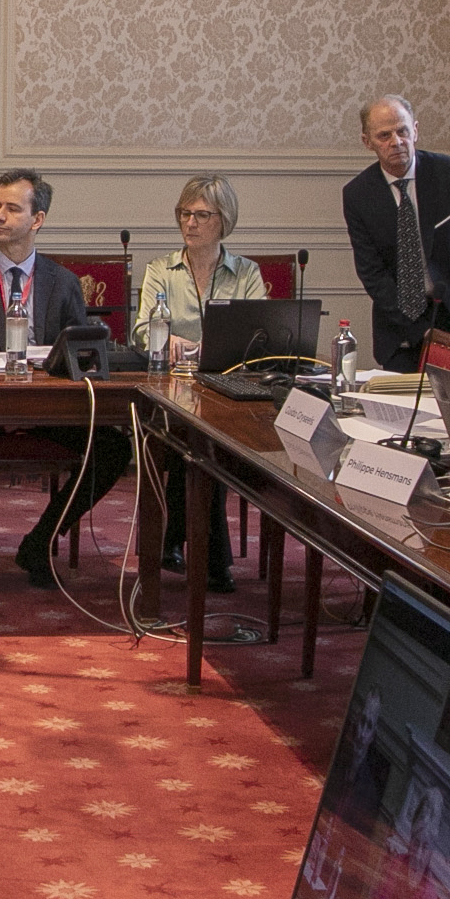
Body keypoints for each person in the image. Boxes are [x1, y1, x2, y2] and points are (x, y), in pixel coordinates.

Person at [0, 169, 123, 589]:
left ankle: (44, 539)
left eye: (12, 208)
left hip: (50, 410)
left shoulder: (64, 283)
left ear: (37, 219)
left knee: (113, 450)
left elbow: (82, 354)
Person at [135, 173, 267, 590]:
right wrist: (168, 338)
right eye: (184, 213)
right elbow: (141, 331)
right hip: (172, 386)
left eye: (201, 214)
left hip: (227, 390)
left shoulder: (246, 272)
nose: (190, 223)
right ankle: (214, 561)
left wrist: (213, 346)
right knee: (192, 444)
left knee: (201, 447)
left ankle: (174, 542)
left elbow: (259, 335)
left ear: (223, 220)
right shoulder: (162, 269)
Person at [341, 95, 450, 372]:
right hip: (400, 325)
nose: (396, 142)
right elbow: (373, 274)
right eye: (384, 135)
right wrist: (419, 331)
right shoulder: (358, 195)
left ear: (415, 130)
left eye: (402, 131)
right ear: (367, 142)